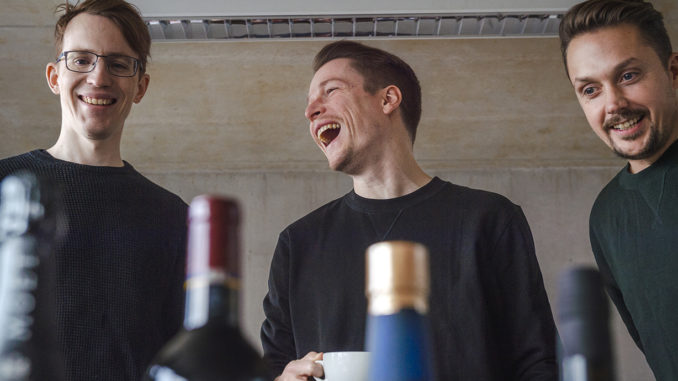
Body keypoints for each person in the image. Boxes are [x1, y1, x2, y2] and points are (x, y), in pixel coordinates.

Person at [260, 40, 558, 380]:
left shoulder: (488, 220)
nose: (310, 110)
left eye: (330, 91)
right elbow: (273, 369)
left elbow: (538, 362)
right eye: (309, 101)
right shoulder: (298, 244)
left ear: (388, 99)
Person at [0, 1, 187, 380]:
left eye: (118, 64)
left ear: (140, 86)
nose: (99, 77)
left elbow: (178, 358)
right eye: (81, 60)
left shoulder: (172, 216)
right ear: (54, 77)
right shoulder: (6, 186)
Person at [559, 1, 678, 379]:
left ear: (674, 72)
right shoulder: (606, 215)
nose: (614, 104)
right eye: (591, 89)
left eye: (628, 76)